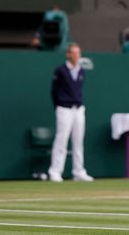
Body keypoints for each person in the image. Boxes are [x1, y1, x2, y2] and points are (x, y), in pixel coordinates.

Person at [47, 43, 94, 182]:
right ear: (68, 54)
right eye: (74, 53)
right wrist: (60, 105)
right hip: (64, 109)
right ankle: (55, 171)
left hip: (78, 109)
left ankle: (78, 171)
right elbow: (54, 92)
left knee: (78, 141)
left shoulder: (81, 71)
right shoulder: (60, 71)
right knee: (61, 140)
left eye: (78, 53)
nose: (77, 55)